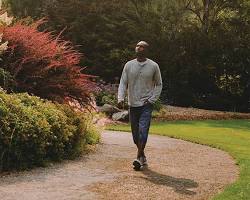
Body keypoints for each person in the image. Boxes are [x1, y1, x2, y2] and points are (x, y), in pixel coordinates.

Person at [118, 41, 162, 169]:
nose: (139, 47)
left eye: (142, 46)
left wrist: (152, 99)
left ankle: (138, 158)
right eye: (137, 46)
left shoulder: (153, 66)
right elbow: (122, 83)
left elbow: (159, 84)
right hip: (133, 104)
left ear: (146, 50)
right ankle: (142, 156)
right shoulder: (129, 65)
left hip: (146, 104)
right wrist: (120, 98)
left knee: (143, 131)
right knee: (135, 136)